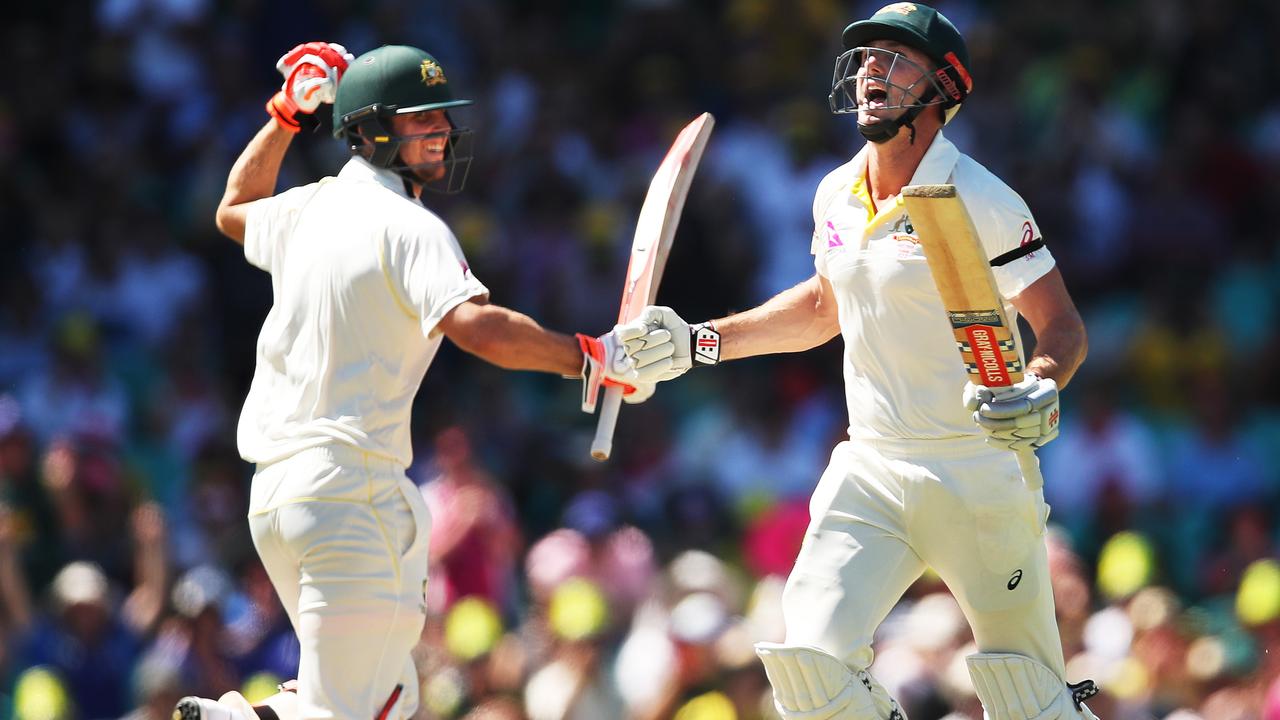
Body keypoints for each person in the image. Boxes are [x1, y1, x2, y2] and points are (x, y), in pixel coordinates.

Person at [626, 4, 1098, 719]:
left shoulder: (984, 199)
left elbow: (1061, 325)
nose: (874, 69)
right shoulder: (835, 191)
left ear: (945, 89)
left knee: (1028, 697)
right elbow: (823, 309)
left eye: (898, 58)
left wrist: (1038, 380)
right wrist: (699, 340)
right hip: (873, 466)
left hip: (978, 470)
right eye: (869, 56)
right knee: (809, 671)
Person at [175, 42, 662, 720]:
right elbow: (478, 326)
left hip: (276, 500)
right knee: (357, 711)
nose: (439, 131)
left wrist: (287, 116)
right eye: (418, 119)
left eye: (440, 116)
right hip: (353, 492)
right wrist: (589, 357)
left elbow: (234, 206)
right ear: (371, 130)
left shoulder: (308, 210)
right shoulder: (411, 228)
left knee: (391, 701)